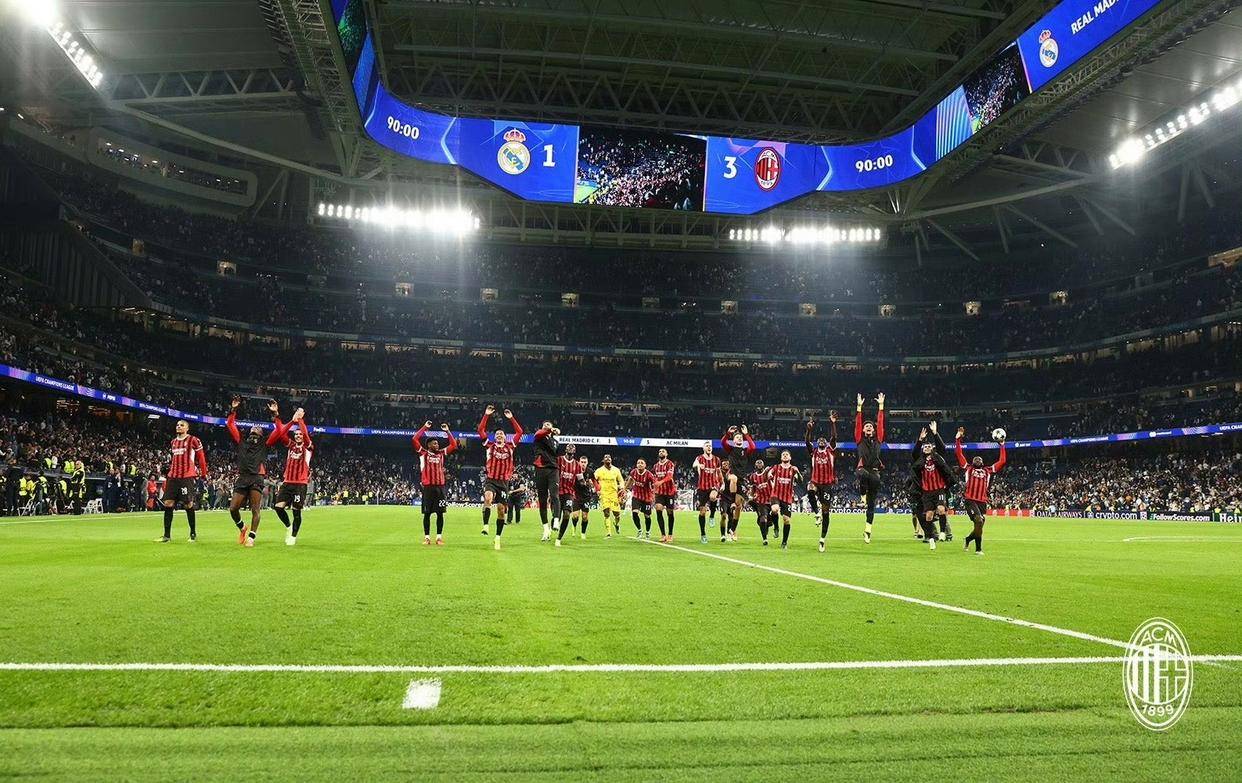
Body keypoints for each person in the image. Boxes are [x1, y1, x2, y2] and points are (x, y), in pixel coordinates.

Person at [225, 398, 282, 547]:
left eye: (258, 428)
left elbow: (279, 430)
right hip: (243, 477)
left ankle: (251, 537)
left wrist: (275, 414)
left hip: (256, 477)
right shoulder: (241, 440)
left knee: (255, 509)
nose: (255, 428)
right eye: (253, 427)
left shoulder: (265, 443)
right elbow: (230, 424)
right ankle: (242, 527)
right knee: (233, 508)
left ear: (261, 433)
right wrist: (233, 409)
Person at [955, 427, 1007, 555]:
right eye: (975, 459)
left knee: (979, 526)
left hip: (982, 501)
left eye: (980, 459)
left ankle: (968, 539)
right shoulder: (968, 468)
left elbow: (1002, 461)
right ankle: (978, 549)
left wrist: (1002, 445)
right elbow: (959, 454)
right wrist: (958, 440)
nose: (977, 460)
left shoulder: (988, 470)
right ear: (972, 462)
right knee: (979, 520)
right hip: (970, 500)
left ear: (983, 462)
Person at [477, 405, 523, 549]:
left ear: (505, 436)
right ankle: (485, 526)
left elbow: (520, 432)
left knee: (501, 510)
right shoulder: (489, 445)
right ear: (494, 437)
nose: (499, 435)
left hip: (503, 482)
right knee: (488, 498)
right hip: (491, 480)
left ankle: (497, 538)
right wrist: (486, 415)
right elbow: (480, 430)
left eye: (501, 434)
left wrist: (511, 418)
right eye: (497, 434)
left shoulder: (511, 446)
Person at [157, 418, 207, 543]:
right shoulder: (173, 442)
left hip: (186, 476)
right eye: (177, 425)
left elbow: (201, 457)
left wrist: (203, 473)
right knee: (168, 503)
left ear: (187, 428)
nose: (179, 426)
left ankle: (193, 533)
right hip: (173, 476)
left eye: (182, 425)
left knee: (188, 504)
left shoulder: (193, 440)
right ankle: (166, 536)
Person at [271, 405, 314, 545]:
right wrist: (290, 421)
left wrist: (300, 420)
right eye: (296, 434)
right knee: (278, 507)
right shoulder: (291, 446)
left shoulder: (308, 447)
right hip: (287, 482)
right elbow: (280, 434)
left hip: (299, 485)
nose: (298, 436)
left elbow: (306, 435)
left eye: (300, 434)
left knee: (296, 512)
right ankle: (289, 527)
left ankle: (293, 536)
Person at [413, 420, 458, 545]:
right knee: (427, 514)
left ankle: (439, 537)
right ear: (429, 445)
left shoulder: (441, 453)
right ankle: (427, 537)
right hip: (428, 488)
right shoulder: (423, 453)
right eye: (434, 443)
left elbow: (454, 445)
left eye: (437, 443)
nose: (437, 445)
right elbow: (414, 439)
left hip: (440, 488)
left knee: (440, 513)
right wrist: (425, 427)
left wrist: (448, 431)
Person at [915, 431, 958, 548]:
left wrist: (935, 433)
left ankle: (943, 532)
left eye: (929, 446)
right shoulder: (920, 461)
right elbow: (914, 453)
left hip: (939, 489)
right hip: (927, 492)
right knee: (928, 516)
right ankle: (930, 538)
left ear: (932, 448)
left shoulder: (937, 458)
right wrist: (920, 440)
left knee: (941, 509)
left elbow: (942, 448)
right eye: (925, 447)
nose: (927, 448)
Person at [805, 412, 840, 551]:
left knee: (826, 512)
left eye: (823, 440)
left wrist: (833, 423)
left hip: (827, 484)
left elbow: (834, 437)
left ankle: (822, 539)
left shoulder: (831, 451)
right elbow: (807, 442)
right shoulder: (813, 452)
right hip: (815, 481)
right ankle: (816, 513)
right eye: (819, 440)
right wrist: (809, 430)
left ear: (826, 443)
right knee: (810, 489)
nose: (821, 441)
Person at [854, 392, 886, 535]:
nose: (868, 427)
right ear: (862, 430)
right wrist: (859, 408)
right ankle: (862, 496)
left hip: (874, 471)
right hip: (862, 468)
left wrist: (881, 406)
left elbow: (881, 423)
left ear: (874, 430)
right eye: (866, 426)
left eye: (870, 426)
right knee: (863, 474)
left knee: (871, 503)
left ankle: (868, 529)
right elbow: (857, 423)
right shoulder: (859, 439)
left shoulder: (878, 439)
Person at [721, 426, 756, 542]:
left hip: (741, 479)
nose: (739, 438)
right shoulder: (730, 449)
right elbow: (723, 442)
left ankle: (732, 529)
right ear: (733, 440)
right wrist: (728, 433)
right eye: (737, 437)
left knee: (739, 506)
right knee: (734, 479)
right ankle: (731, 502)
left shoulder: (745, 451)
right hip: (731, 476)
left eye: (741, 437)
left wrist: (746, 435)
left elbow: (753, 447)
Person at [531, 420, 563, 540]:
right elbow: (539, 433)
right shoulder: (539, 436)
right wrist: (551, 429)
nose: (546, 427)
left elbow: (557, 455)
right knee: (542, 500)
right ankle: (545, 529)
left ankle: (556, 520)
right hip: (540, 469)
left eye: (548, 425)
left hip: (553, 469)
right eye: (544, 425)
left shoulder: (555, 442)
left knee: (555, 495)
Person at [768, 450, 802, 550]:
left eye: (787, 455)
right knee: (774, 509)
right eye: (783, 455)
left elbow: (800, 481)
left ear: (790, 457)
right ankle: (776, 527)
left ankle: (784, 542)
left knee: (786, 520)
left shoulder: (793, 469)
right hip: (776, 494)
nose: (785, 456)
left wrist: (798, 472)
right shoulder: (776, 467)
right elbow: (769, 473)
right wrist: (769, 475)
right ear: (781, 457)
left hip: (787, 497)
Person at [693, 441, 722, 543]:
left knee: (713, 497)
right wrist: (698, 465)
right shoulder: (699, 458)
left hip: (713, 485)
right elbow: (694, 464)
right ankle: (703, 534)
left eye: (710, 446)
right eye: (707, 446)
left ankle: (712, 515)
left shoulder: (716, 459)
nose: (709, 447)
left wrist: (722, 483)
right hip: (702, 488)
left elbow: (719, 472)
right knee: (702, 512)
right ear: (703, 448)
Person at [554, 446, 581, 547]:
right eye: (568, 447)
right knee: (556, 515)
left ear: (574, 451)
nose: (570, 449)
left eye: (572, 448)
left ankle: (559, 538)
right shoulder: (559, 460)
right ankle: (554, 523)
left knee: (566, 514)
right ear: (565, 450)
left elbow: (580, 478)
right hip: (557, 491)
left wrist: (586, 483)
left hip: (569, 493)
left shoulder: (577, 464)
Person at [594, 454, 625, 538]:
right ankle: (608, 533)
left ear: (611, 460)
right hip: (604, 494)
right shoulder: (599, 471)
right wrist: (597, 489)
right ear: (603, 460)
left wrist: (622, 487)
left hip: (614, 494)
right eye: (606, 457)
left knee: (616, 513)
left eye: (609, 457)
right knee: (606, 512)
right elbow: (594, 480)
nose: (607, 458)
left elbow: (621, 480)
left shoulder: (616, 470)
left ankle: (617, 524)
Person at [651, 448, 677, 542]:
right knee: (658, 509)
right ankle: (663, 534)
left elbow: (669, 476)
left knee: (670, 512)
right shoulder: (655, 466)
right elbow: (653, 477)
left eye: (663, 451)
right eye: (659, 451)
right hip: (660, 493)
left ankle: (670, 534)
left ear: (666, 454)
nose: (661, 452)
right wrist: (654, 486)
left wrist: (660, 482)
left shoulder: (670, 464)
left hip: (669, 492)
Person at [627, 458, 656, 539]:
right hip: (636, 496)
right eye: (638, 463)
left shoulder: (649, 475)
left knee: (647, 516)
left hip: (647, 498)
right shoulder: (633, 472)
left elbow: (654, 485)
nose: (640, 464)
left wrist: (653, 495)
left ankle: (647, 532)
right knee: (634, 513)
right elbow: (630, 480)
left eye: (642, 463)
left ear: (645, 465)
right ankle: (639, 530)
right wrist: (625, 489)